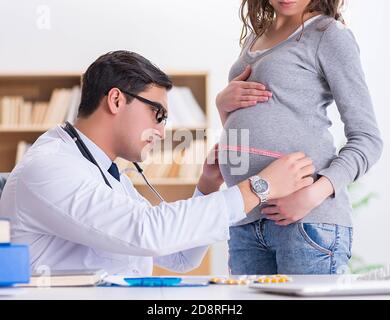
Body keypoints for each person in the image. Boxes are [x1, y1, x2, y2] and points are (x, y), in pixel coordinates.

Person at [0, 50, 315, 275]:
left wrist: (207, 187)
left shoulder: (108, 174)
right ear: (116, 100)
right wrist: (260, 187)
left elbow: (179, 256)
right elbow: (147, 232)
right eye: (158, 114)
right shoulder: (50, 168)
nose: (162, 132)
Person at [216, 0, 383, 275]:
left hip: (306, 222)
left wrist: (313, 194)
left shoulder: (328, 35)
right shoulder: (254, 38)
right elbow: (256, 125)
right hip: (245, 218)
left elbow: (367, 138)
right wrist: (222, 106)